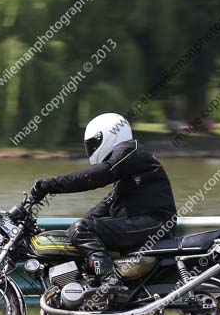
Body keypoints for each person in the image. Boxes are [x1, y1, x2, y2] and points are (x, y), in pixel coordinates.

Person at [29, 113, 177, 293]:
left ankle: (110, 285)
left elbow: (96, 176)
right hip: (146, 223)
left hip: (154, 223)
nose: (91, 149)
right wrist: (76, 230)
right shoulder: (129, 165)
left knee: (81, 228)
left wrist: (49, 186)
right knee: (80, 228)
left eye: (92, 144)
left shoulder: (130, 151)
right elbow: (106, 204)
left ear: (109, 135)